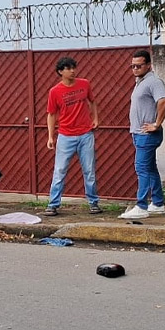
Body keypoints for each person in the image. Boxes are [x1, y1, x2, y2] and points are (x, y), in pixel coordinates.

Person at [44, 57, 102, 216]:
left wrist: (95, 118)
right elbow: (51, 114)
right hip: (65, 135)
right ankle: (53, 204)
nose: (72, 71)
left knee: (89, 170)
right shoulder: (54, 91)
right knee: (60, 170)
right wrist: (50, 136)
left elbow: (92, 101)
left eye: (73, 68)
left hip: (85, 134)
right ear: (60, 72)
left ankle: (93, 203)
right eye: (68, 68)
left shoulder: (84, 84)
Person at [119, 49, 165, 220]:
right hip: (140, 133)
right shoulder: (140, 81)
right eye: (132, 66)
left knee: (141, 168)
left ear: (149, 65)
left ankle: (141, 206)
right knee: (150, 168)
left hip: (147, 135)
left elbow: (164, 100)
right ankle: (157, 203)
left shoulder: (153, 81)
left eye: (139, 66)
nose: (135, 69)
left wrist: (157, 123)